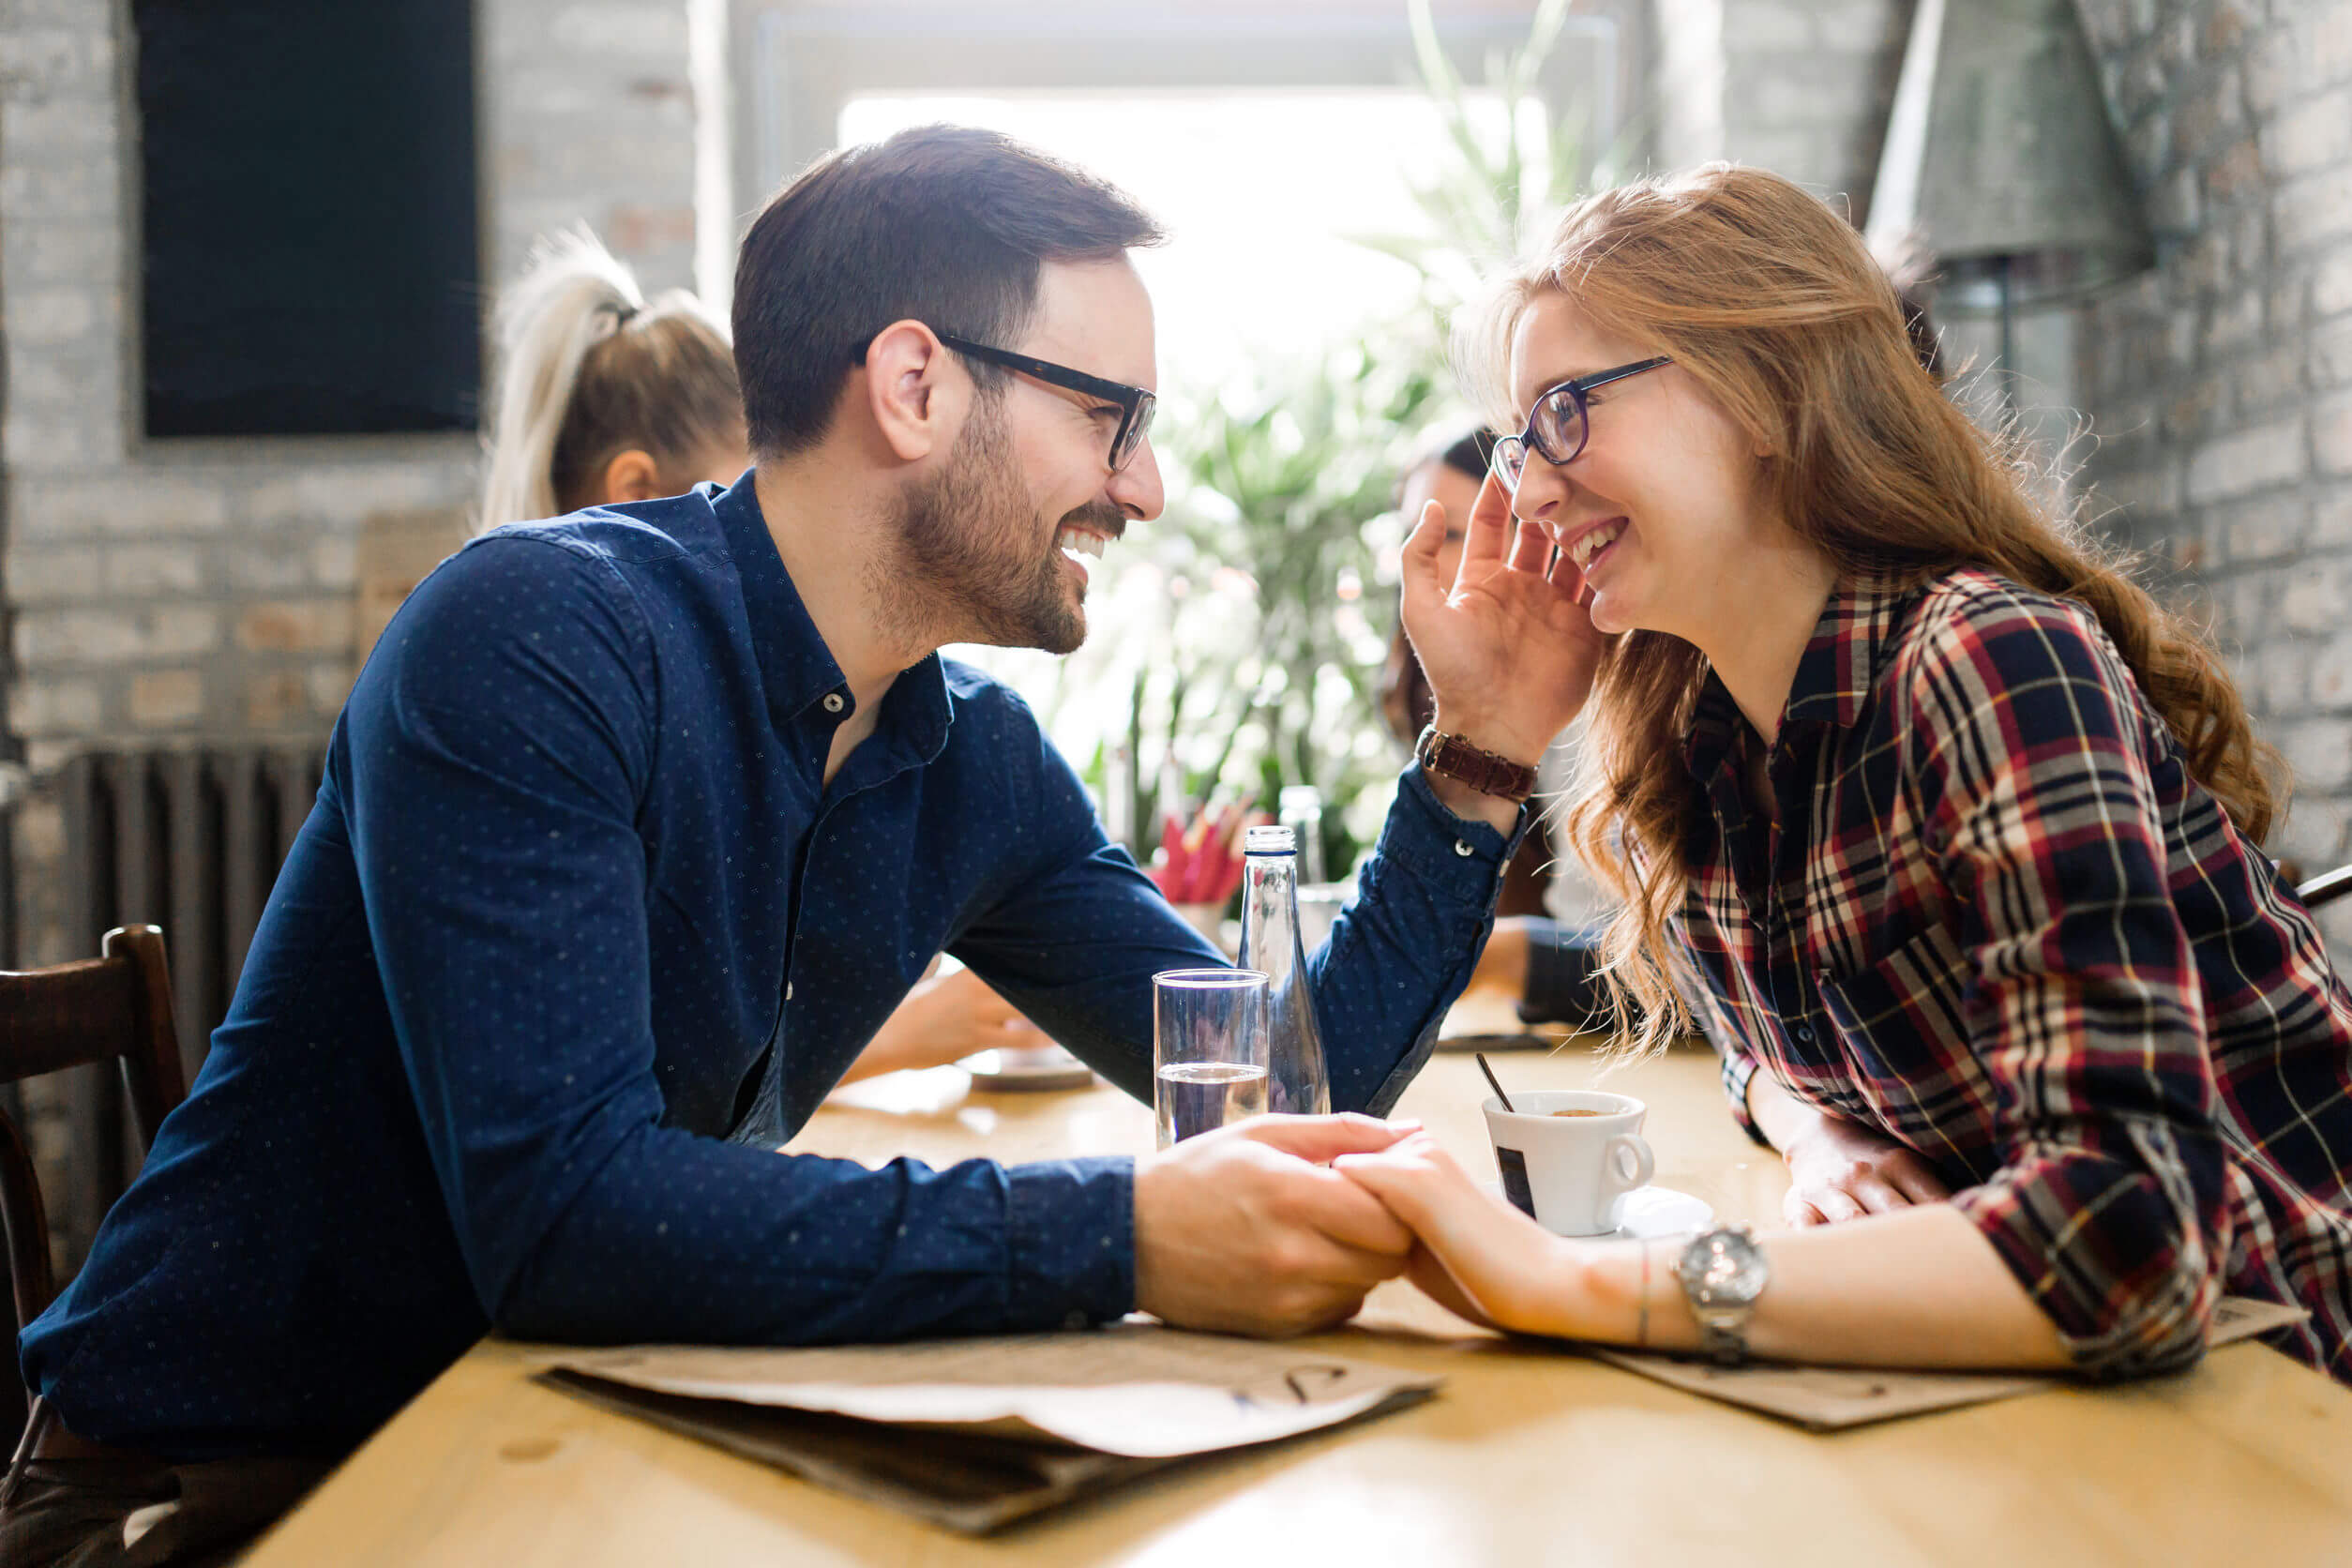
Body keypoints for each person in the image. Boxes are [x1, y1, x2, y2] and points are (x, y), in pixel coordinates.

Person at [5, 127, 1578, 1564]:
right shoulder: (535, 637)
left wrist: (1481, 753)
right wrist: (1127, 1234)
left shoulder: (968, 762)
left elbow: (1287, 1076)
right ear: (912, 386)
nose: (1143, 487)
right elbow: (567, 1220)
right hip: (223, 1484)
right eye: (1107, 419)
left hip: (561, 1435)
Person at [1335, 163, 2352, 1384]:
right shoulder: (1696, 739)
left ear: (1763, 392)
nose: (1527, 488)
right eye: (1518, 437)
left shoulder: (1984, 660)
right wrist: (1818, 1135)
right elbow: (1753, 1032)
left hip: (2288, 1386)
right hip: (2046, 1397)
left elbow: (2121, 1239)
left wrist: (1582, 1285)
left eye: (1566, 412)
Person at [475, 227, 1051, 1082]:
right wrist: (892, 1037)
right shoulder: (531, 682)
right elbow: (611, 1087)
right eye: (741, 497)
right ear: (635, 491)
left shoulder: (890, 727)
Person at [1380, 430, 1606, 1030]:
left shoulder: (1596, 697)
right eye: (1414, 534)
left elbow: (1657, 966)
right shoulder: (1439, 691)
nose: (1423, 561)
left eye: (1453, 533)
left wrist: (1487, 955)